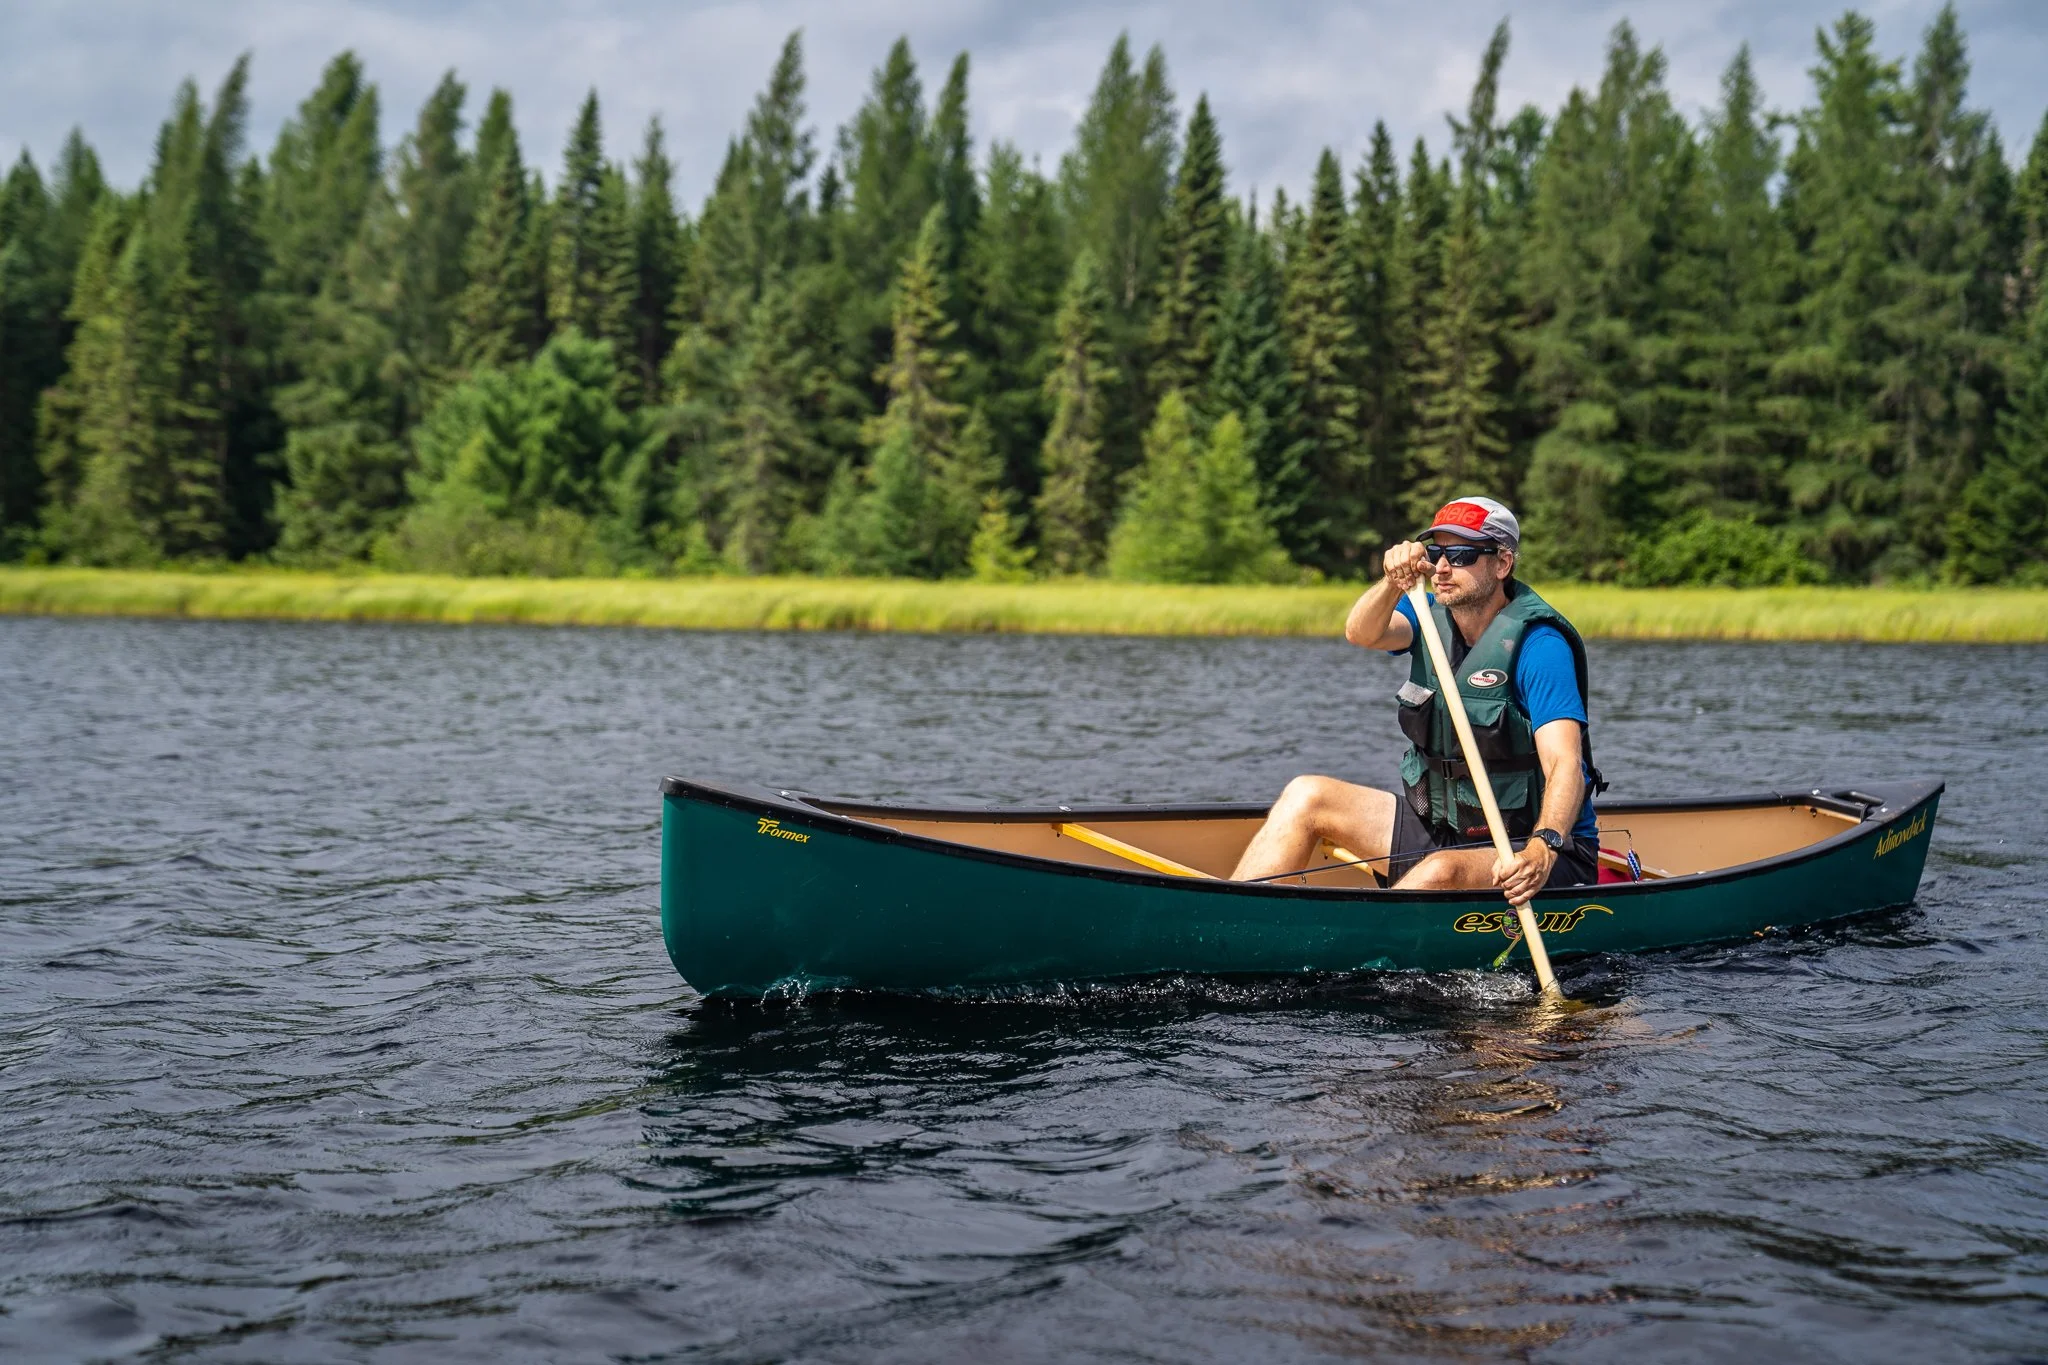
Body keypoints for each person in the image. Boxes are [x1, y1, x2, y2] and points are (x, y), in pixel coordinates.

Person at [1231, 495, 1604, 898]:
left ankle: (1346, 946)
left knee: (1440, 871)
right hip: (1445, 829)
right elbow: (1362, 632)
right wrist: (1394, 583)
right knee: (1308, 795)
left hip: (1533, 850)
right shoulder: (1425, 614)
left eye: (1461, 554)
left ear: (1502, 563)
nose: (1442, 566)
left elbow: (1565, 762)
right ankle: (1232, 920)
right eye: (1436, 552)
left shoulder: (1540, 646)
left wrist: (1544, 847)